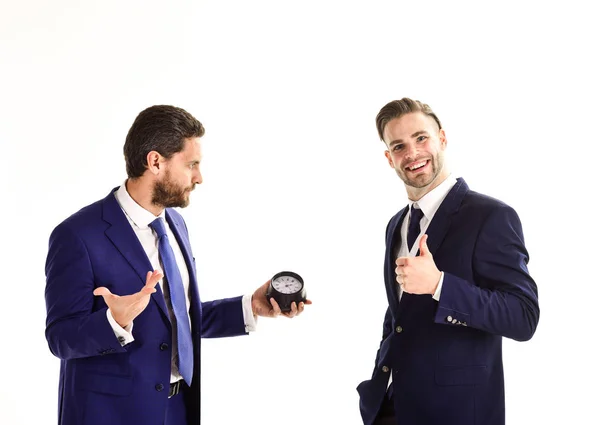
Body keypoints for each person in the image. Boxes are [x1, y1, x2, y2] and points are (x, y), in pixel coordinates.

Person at [44, 105, 311, 425]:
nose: (199, 177)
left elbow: (176, 317)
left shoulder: (174, 224)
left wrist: (250, 306)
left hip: (178, 408)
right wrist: (114, 321)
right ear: (155, 161)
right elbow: (60, 337)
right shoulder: (77, 235)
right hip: (111, 414)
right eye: (192, 164)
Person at [356, 98, 539, 425]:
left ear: (441, 138)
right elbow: (399, 313)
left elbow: (523, 316)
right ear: (389, 158)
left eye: (421, 138)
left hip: (456, 412)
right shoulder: (395, 224)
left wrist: (440, 285)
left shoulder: (490, 216)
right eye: (399, 146)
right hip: (393, 409)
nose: (412, 153)